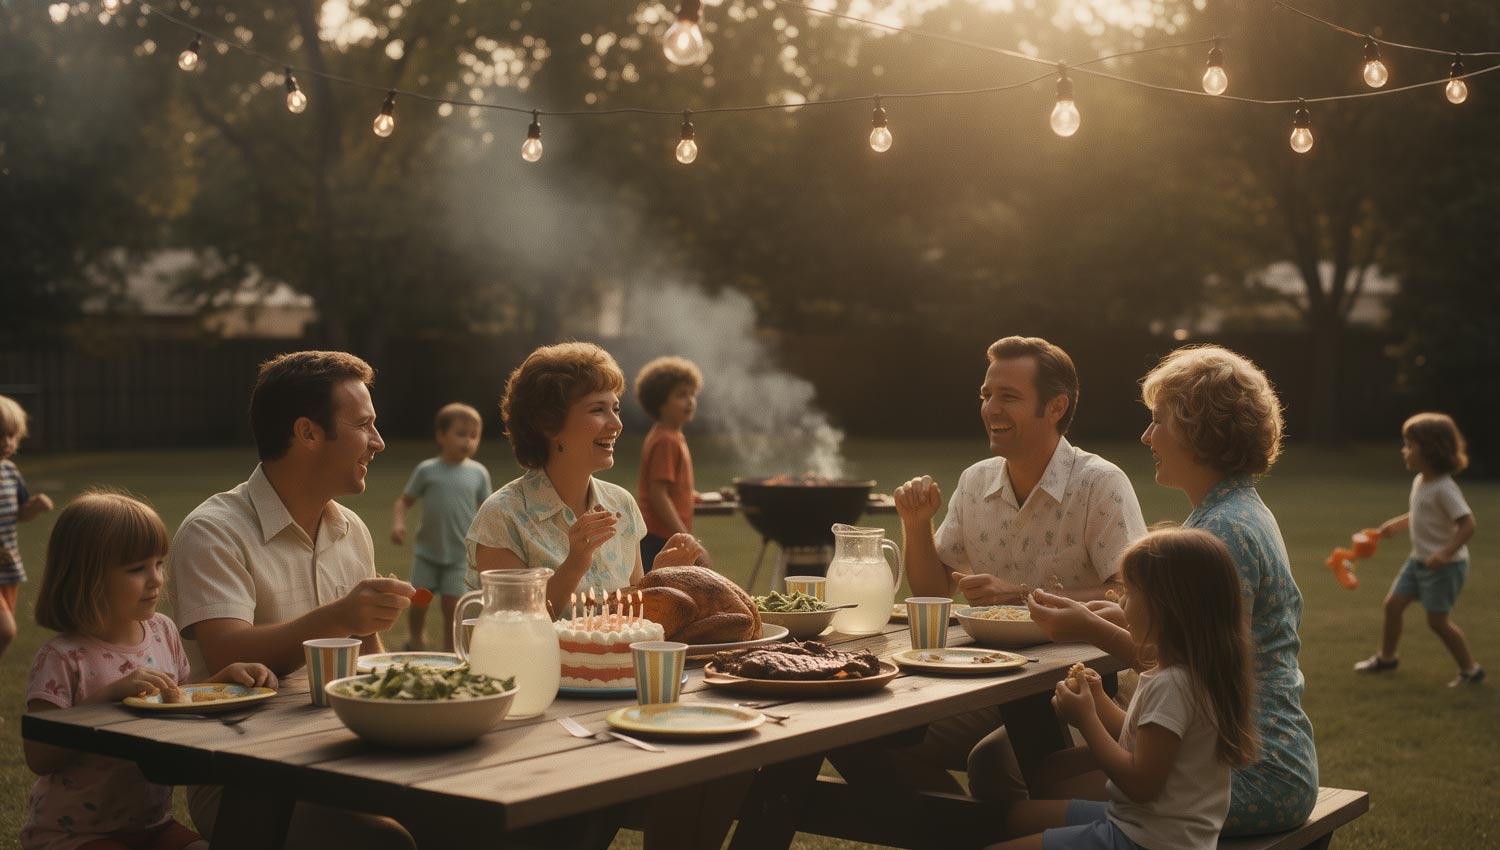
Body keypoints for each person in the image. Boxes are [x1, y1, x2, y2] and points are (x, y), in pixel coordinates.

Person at [1027, 344, 1318, 836]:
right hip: (1235, 751)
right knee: (1049, 771)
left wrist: (1091, 628)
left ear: (1200, 432)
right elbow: (1191, 626)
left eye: (1158, 421)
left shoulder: (1224, 531)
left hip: (1251, 771)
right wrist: (1118, 612)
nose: (1146, 436)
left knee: (1048, 782)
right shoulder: (1228, 509)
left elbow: (1198, 666)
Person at [857, 336, 1144, 799]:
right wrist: (916, 525)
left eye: (1008, 396)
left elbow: (1129, 598)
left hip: (1087, 691)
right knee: (875, 739)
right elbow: (933, 594)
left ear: (1055, 407)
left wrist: (1023, 595)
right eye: (986, 395)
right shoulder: (976, 481)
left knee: (993, 764)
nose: (991, 408)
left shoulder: (1100, 483)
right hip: (988, 678)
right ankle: (959, 835)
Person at [168, 350, 415, 847]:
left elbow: (369, 659)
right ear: (307, 433)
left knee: (478, 816)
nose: (379, 442)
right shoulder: (214, 531)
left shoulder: (352, 530)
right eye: (364, 425)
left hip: (349, 751)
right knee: (385, 841)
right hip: (250, 778)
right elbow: (226, 654)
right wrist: (341, 616)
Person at [22, 492, 276, 850]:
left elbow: (179, 703)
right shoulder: (62, 658)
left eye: (158, 563)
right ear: (87, 576)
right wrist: (107, 698)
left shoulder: (162, 632)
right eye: (136, 569)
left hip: (152, 824)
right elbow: (39, 757)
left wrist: (225, 679)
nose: (156, 579)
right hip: (76, 832)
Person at [989, 528, 1258, 850]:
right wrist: (1100, 700)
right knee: (1019, 816)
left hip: (1147, 839)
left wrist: (1087, 719)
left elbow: (1139, 784)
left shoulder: (1173, 685)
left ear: (1167, 607)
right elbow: (1144, 741)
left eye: (1130, 592)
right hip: (1155, 825)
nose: (1120, 600)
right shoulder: (1193, 673)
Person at [466, 342, 703, 618]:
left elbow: (633, 621)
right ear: (549, 424)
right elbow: (513, 630)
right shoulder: (503, 516)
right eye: (597, 410)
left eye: (615, 409)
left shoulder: (622, 505)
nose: (616, 424)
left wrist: (658, 578)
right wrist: (574, 565)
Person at [1354, 412, 1482, 686]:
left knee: (1437, 621)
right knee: (1392, 606)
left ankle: (1470, 671)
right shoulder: (1421, 481)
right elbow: (1421, 513)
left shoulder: (1445, 488)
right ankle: (1387, 659)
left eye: (1410, 445)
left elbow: (1468, 524)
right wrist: (1394, 526)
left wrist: (1445, 553)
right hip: (1418, 561)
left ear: (1431, 449)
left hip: (1444, 567)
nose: (1405, 450)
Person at [391, 402, 492, 651]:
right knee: (419, 601)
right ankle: (415, 639)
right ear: (441, 435)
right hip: (428, 553)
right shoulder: (427, 471)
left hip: (460, 555)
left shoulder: (479, 473)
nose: (467, 441)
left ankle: (451, 649)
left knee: (453, 606)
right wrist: (398, 524)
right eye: (460, 434)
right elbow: (404, 502)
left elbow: (488, 510)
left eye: (473, 436)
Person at [634, 356, 708, 570]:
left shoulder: (672, 436)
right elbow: (658, 494)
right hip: (659, 538)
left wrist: (693, 496)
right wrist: (685, 538)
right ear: (660, 402)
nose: (690, 401)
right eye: (681, 395)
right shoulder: (665, 440)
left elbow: (671, 487)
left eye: (692, 394)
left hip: (663, 535)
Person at [1, 394, 55, 660]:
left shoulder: (10, 472)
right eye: (0, 435)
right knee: (5, 630)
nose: (6, 443)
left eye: (12, 435)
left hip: (8, 567)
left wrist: (33, 507)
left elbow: (17, 514)